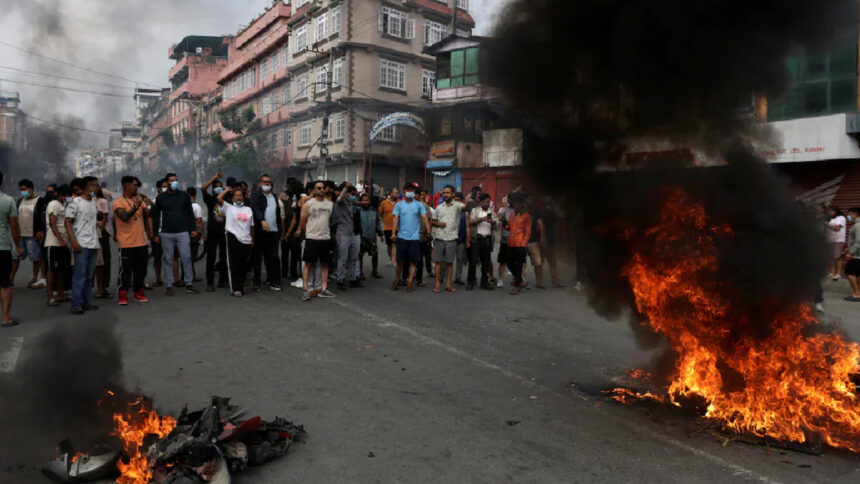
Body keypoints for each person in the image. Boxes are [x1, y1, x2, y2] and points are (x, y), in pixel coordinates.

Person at [152, 173, 199, 296]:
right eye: (172, 181)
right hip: (166, 233)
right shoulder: (161, 198)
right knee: (168, 259)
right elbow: (156, 217)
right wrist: (155, 233)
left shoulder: (184, 195)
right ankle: (169, 285)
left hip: (183, 232)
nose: (174, 183)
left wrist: (193, 228)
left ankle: (189, 283)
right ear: (166, 183)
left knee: (187, 257)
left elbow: (190, 213)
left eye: (176, 180)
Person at [65, 177, 101, 314]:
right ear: (89, 186)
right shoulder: (75, 202)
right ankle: (76, 304)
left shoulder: (93, 202)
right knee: (79, 276)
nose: (98, 188)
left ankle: (85, 302)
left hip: (93, 243)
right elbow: (67, 222)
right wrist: (73, 241)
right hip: (81, 243)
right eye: (96, 185)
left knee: (89, 276)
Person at [113, 176, 151, 305]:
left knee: (141, 270)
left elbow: (149, 215)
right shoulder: (118, 202)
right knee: (125, 271)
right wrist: (136, 207)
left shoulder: (139, 200)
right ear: (126, 185)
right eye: (134, 185)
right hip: (127, 243)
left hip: (142, 241)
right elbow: (124, 216)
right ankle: (122, 294)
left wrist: (149, 202)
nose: (136, 188)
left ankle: (138, 292)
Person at [296, 180, 336, 301]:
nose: (322, 190)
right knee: (308, 264)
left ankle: (323, 289)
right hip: (312, 238)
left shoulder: (330, 204)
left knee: (324, 264)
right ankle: (306, 290)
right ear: (314, 190)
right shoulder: (308, 204)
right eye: (319, 188)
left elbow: (330, 221)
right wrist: (309, 233)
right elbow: (302, 222)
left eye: (323, 188)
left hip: (325, 238)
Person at [391, 184, 431, 292]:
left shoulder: (419, 205)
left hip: (415, 238)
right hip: (402, 236)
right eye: (408, 190)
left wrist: (429, 232)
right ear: (404, 191)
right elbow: (395, 218)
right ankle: (397, 280)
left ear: (414, 191)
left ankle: (409, 283)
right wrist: (393, 233)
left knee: (413, 262)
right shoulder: (399, 205)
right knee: (400, 262)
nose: (410, 191)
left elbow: (424, 217)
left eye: (412, 190)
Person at [218, 186, 254, 297]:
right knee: (234, 264)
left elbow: (252, 226)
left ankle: (241, 286)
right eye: (236, 196)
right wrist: (226, 191)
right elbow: (219, 199)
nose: (238, 197)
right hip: (233, 237)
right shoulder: (228, 207)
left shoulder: (248, 209)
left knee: (244, 265)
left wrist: (252, 239)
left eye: (240, 196)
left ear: (243, 197)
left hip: (246, 239)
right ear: (233, 198)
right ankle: (236, 288)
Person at [250, 174, 283, 292]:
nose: (267, 184)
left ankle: (275, 281)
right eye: (264, 182)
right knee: (258, 258)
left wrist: (280, 231)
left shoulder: (274, 197)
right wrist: (262, 220)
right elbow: (255, 209)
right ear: (260, 184)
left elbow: (278, 215)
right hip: (260, 231)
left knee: (274, 257)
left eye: (269, 182)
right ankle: (256, 283)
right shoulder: (255, 196)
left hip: (274, 231)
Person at [12, 178, 47, 289]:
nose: (22, 191)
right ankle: (10, 279)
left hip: (33, 236)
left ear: (31, 189)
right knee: (15, 257)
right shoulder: (20, 201)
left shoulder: (39, 201)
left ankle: (34, 278)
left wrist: (40, 231)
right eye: (21, 190)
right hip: (20, 235)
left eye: (24, 189)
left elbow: (42, 217)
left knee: (35, 258)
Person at [431, 185, 464, 293]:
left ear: (453, 194)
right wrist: (439, 224)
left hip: (452, 238)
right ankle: (437, 284)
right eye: (444, 193)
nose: (445, 194)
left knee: (450, 262)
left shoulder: (458, 206)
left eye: (448, 192)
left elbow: (466, 207)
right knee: (438, 262)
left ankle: (448, 284)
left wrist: (470, 201)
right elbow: (432, 221)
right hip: (440, 237)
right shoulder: (439, 207)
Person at [0, 170, 22, 327]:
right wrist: (18, 245)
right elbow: (14, 225)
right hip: (2, 248)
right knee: (5, 284)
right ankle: (6, 317)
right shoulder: (8, 201)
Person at [44, 184, 72, 307]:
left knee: (61, 270)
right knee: (52, 270)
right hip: (53, 242)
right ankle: (50, 297)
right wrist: (60, 239)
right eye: (68, 195)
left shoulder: (64, 206)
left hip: (63, 243)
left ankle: (61, 294)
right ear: (62, 195)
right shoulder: (54, 204)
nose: (69, 198)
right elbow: (52, 223)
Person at [202, 173, 228, 292]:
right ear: (212, 189)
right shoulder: (210, 199)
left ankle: (223, 280)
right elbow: (203, 188)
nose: (218, 188)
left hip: (224, 232)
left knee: (224, 257)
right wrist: (214, 177)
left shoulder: (226, 200)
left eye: (220, 186)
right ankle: (210, 282)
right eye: (215, 187)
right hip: (212, 232)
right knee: (211, 258)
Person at [468, 193, 497, 291]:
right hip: (477, 239)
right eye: (485, 202)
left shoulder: (492, 212)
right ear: (480, 202)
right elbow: (470, 221)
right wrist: (482, 219)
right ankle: (471, 281)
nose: (487, 203)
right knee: (473, 261)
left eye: (488, 202)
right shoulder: (475, 210)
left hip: (487, 239)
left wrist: (493, 222)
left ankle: (484, 282)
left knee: (486, 262)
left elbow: (497, 227)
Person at [335, 183, 360, 290]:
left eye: (349, 191)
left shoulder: (351, 201)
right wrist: (344, 189)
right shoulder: (340, 201)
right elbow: (339, 198)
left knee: (354, 258)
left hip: (354, 233)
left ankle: (353, 278)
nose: (349, 194)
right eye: (347, 191)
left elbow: (358, 201)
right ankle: (340, 279)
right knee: (343, 258)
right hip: (343, 233)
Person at [505, 195, 532, 295]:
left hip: (520, 244)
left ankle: (516, 286)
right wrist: (505, 225)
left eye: (517, 203)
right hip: (511, 243)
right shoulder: (512, 214)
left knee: (519, 265)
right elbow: (509, 228)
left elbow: (528, 232)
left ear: (522, 204)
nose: (516, 205)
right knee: (509, 263)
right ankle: (520, 280)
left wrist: (523, 244)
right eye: (514, 203)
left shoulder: (527, 216)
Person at [357, 193, 383, 280]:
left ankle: (374, 271)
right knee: (360, 256)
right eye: (363, 200)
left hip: (372, 237)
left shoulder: (374, 212)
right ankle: (360, 272)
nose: (365, 202)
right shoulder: (358, 212)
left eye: (367, 200)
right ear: (360, 201)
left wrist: (380, 234)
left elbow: (377, 224)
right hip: (361, 237)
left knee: (374, 255)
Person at [93, 186, 113, 299]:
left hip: (103, 232)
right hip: (90, 233)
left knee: (104, 260)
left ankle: (103, 287)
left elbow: (102, 215)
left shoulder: (102, 200)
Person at [149, 178, 167, 287]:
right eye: (164, 186)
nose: (166, 188)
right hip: (158, 232)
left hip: (169, 231)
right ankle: (158, 278)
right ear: (159, 188)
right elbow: (150, 217)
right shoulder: (154, 201)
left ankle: (172, 278)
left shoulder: (171, 199)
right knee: (157, 257)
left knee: (171, 257)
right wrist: (152, 232)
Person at [526, 194, 547, 289]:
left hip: (533, 240)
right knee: (521, 262)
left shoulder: (536, 211)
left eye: (532, 199)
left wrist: (542, 238)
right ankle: (520, 281)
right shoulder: (521, 211)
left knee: (538, 263)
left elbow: (541, 225)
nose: (531, 201)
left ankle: (539, 282)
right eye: (530, 199)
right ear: (525, 200)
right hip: (522, 240)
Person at [497, 195, 514, 288]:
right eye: (506, 200)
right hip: (504, 239)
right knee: (502, 261)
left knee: (516, 260)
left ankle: (518, 279)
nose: (507, 201)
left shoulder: (515, 210)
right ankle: (500, 279)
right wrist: (504, 209)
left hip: (514, 239)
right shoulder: (502, 210)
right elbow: (498, 219)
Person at [379, 188, 399, 267]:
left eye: (397, 193)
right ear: (390, 194)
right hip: (387, 227)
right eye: (395, 193)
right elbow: (381, 213)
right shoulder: (384, 203)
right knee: (389, 245)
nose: (397, 195)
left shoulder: (400, 203)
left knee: (394, 244)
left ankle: (394, 260)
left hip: (397, 227)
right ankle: (391, 259)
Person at [826, 205, 847, 280]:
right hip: (830, 240)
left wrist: (827, 224)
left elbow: (837, 228)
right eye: (828, 211)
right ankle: (832, 272)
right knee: (831, 257)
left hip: (838, 240)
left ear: (835, 211)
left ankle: (839, 273)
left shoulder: (841, 218)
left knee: (837, 257)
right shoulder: (831, 218)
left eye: (830, 211)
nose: (829, 213)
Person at [844, 207, 860, 302]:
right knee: (858, 274)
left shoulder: (858, 225)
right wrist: (846, 250)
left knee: (849, 272)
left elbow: (858, 241)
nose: (849, 216)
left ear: (854, 214)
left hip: (856, 254)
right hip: (857, 253)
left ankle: (857, 294)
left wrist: (851, 253)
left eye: (849, 214)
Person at [454, 192, 469, 285]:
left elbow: (467, 227)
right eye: (455, 200)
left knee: (460, 259)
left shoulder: (465, 213)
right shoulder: (449, 210)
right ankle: (442, 277)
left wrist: (467, 240)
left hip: (461, 239)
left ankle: (458, 278)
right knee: (446, 259)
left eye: (459, 200)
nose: (457, 202)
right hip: (450, 238)